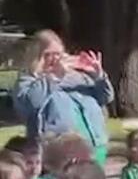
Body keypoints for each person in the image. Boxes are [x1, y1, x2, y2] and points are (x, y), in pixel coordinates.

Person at [13, 30, 114, 168]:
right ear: (36, 56)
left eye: (58, 54)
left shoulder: (78, 77)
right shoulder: (29, 81)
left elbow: (106, 98)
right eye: (48, 55)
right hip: (60, 151)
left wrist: (99, 76)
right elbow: (30, 103)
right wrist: (54, 77)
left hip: (95, 145)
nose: (55, 59)